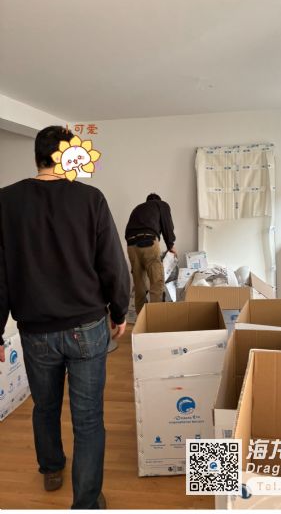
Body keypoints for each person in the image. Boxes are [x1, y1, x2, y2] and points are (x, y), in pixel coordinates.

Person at [0, 126, 130, 509]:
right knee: (88, 418)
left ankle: (52, 469)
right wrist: (120, 310)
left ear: (37, 157)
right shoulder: (90, 198)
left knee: (45, 407)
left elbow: (0, 274)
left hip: (35, 331)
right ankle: (86, 501)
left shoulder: (6, 202)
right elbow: (112, 263)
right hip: (87, 326)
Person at [125, 193, 176, 315]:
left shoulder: (138, 208)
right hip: (148, 241)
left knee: (140, 287)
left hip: (131, 245)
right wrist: (171, 245)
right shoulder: (161, 205)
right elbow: (167, 225)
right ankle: (154, 320)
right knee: (156, 283)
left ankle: (141, 321)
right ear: (158, 200)